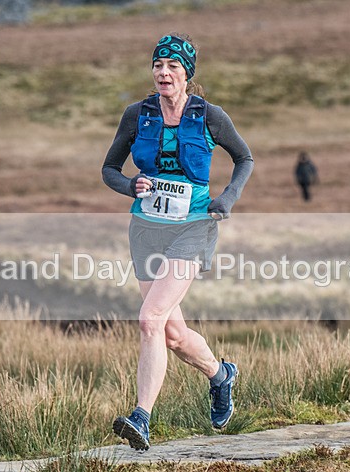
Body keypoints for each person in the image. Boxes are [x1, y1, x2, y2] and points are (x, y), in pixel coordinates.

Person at [101, 33, 254, 450]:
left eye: (172, 67)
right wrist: (130, 184)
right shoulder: (138, 114)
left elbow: (245, 158)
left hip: (193, 227)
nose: (163, 73)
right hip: (146, 229)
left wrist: (227, 198)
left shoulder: (209, 115)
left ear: (187, 74)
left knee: (149, 319)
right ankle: (221, 375)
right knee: (170, 333)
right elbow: (109, 169)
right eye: (157, 66)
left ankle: (141, 418)